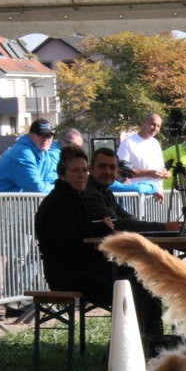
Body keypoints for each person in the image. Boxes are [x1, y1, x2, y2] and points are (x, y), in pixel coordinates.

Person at [34, 145, 164, 338]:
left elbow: (104, 227)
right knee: (130, 286)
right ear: (63, 174)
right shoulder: (57, 203)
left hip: (88, 266)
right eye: (75, 171)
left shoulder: (78, 197)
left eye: (84, 170)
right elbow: (72, 242)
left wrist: (102, 228)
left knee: (144, 279)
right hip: (67, 273)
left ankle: (153, 340)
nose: (81, 175)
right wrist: (102, 228)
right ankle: (133, 344)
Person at [83, 148, 180, 235]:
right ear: (91, 169)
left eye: (112, 167)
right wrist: (164, 227)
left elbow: (126, 217)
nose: (108, 171)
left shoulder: (106, 191)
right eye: (102, 166)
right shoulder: (90, 193)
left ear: (117, 171)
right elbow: (118, 223)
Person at [0, 118, 57, 210]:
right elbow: (37, 188)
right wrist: (60, 191)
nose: (45, 139)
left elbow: (51, 180)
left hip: (2, 206)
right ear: (30, 135)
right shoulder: (21, 153)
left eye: (49, 136)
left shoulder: (44, 154)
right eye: (41, 135)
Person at [117, 113, 169, 202]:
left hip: (157, 196)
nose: (155, 128)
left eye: (158, 126)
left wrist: (165, 173)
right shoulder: (128, 142)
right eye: (152, 124)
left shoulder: (155, 143)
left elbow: (160, 167)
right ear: (144, 123)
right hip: (135, 198)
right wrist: (148, 173)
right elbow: (121, 169)